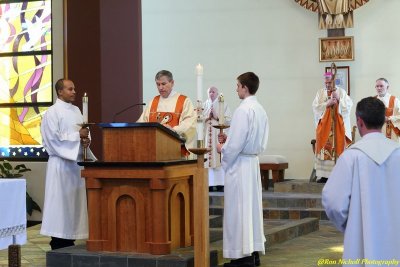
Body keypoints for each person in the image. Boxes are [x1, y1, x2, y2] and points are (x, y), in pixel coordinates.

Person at [322, 97, 400, 262]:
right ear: (383, 120)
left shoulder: (351, 157)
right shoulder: (397, 153)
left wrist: (351, 226)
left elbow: (333, 203)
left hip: (360, 240)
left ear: (359, 121)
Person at [217, 72, 269, 267]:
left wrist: (222, 148)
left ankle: (241, 258)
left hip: (239, 166)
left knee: (238, 211)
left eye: (237, 85)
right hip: (252, 163)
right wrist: (229, 140)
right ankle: (253, 253)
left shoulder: (242, 110)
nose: (236, 89)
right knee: (251, 211)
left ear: (245, 88)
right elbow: (253, 140)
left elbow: (235, 145)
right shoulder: (260, 109)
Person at [40, 79, 95, 250]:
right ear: (60, 92)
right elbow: (52, 139)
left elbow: (84, 133)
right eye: (70, 89)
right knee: (60, 205)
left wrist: (86, 140)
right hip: (60, 165)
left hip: (75, 166)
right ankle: (58, 241)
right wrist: (78, 136)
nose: (74, 91)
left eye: (74, 88)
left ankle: (70, 239)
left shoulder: (77, 110)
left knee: (73, 206)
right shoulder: (52, 113)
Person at [137, 70, 196, 156]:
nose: (160, 87)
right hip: (154, 150)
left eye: (163, 84)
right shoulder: (153, 101)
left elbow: (190, 124)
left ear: (172, 83)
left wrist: (173, 130)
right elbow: (142, 123)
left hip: (176, 151)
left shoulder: (183, 101)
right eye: (158, 84)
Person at [312, 71, 353, 183]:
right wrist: (327, 104)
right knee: (324, 150)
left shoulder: (341, 92)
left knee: (338, 148)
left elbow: (348, 106)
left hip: (337, 127)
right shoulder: (320, 93)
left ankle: (339, 174)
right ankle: (324, 176)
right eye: (326, 82)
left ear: (334, 81)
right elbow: (315, 108)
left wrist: (339, 100)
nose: (327, 85)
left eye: (329, 82)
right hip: (325, 126)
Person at [202, 86, 231, 192]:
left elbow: (228, 120)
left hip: (218, 135)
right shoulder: (204, 105)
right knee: (208, 157)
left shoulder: (223, 104)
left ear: (217, 93)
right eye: (209, 91)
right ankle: (210, 183)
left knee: (219, 156)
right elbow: (197, 119)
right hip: (207, 136)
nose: (211, 93)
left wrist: (217, 116)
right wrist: (206, 117)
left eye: (213, 91)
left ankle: (220, 183)